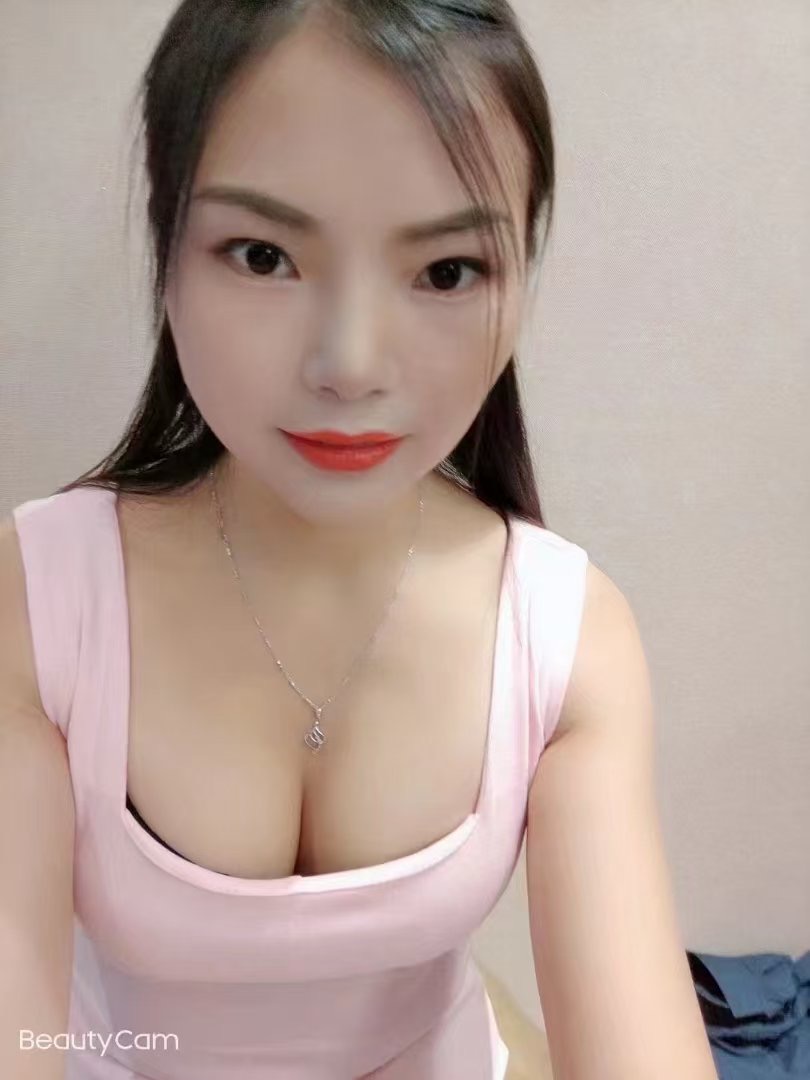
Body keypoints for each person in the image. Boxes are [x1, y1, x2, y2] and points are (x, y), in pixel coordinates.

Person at [0, 1, 719, 1077]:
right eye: (262, 255)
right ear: (167, 247)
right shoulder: (42, 601)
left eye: (447, 271)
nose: (349, 364)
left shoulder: (564, 636)